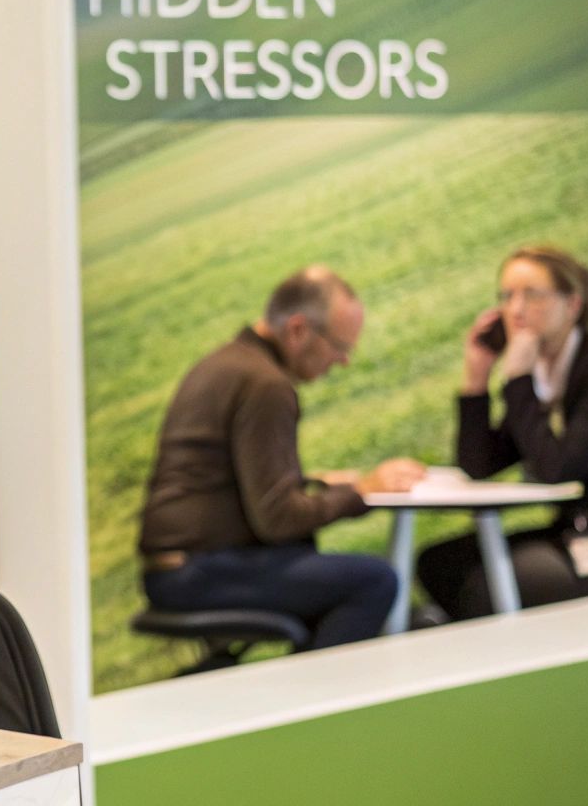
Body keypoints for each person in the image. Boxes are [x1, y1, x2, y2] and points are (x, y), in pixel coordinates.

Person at [136, 267, 425, 650]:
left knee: (314, 564)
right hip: (200, 573)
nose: (343, 362)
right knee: (375, 581)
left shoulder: (227, 362)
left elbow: (230, 485)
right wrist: (361, 492)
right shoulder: (266, 384)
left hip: (174, 569)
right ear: (298, 330)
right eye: (339, 347)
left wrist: (320, 485)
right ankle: (321, 702)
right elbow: (277, 519)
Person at [416, 246, 588, 620]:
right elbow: (479, 464)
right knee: (438, 562)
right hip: (570, 536)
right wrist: (476, 377)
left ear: (573, 305)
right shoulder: (544, 372)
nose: (515, 310)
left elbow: (557, 467)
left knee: (486, 587)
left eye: (532, 295)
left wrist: (518, 381)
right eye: (507, 296)